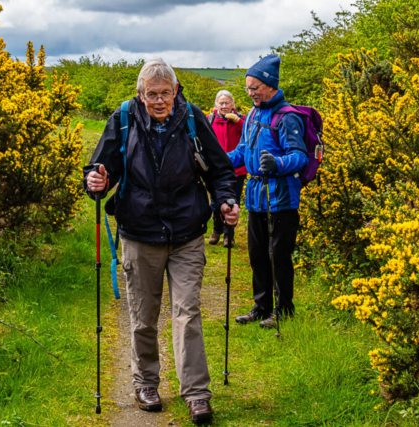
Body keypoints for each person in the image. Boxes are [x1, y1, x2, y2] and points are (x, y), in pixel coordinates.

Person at [83, 58, 239, 423]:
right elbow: (99, 170)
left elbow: (220, 169)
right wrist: (95, 181)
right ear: (140, 94)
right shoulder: (123, 120)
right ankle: (145, 382)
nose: (158, 101)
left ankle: (197, 394)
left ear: (176, 91)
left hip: (186, 232)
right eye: (151, 94)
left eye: (164, 93)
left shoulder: (192, 118)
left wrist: (227, 201)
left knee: (188, 312)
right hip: (139, 233)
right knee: (143, 316)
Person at [227, 54, 308, 329]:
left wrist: (279, 163)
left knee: (279, 257)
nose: (250, 93)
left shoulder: (287, 118)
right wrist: (218, 160)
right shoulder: (251, 114)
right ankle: (261, 308)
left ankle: (283, 310)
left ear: (270, 85)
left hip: (282, 198)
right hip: (256, 198)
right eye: (248, 88)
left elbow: (300, 156)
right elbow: (242, 152)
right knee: (257, 255)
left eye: (255, 88)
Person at [207, 90, 247, 247]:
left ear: (232, 104)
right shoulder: (209, 120)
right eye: (221, 103)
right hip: (215, 170)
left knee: (233, 201)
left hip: (237, 169)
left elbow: (251, 135)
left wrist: (237, 121)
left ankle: (229, 234)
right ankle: (217, 229)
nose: (224, 106)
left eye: (227, 103)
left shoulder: (242, 119)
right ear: (216, 105)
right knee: (216, 201)